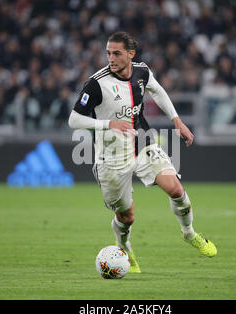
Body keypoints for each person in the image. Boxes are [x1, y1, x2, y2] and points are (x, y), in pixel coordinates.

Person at [68, 32, 217, 273]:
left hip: (142, 141)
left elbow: (157, 90)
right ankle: (124, 247)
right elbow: (74, 119)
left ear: (130, 54)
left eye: (116, 53)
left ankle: (189, 234)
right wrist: (109, 124)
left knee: (176, 189)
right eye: (108, 53)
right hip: (111, 155)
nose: (111, 58)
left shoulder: (142, 71)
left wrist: (177, 120)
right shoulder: (96, 83)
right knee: (127, 217)